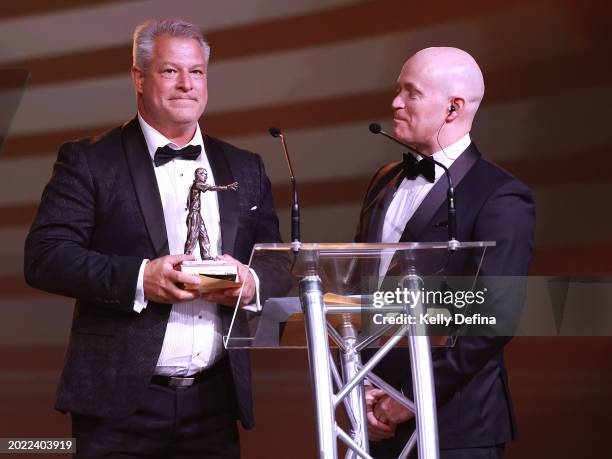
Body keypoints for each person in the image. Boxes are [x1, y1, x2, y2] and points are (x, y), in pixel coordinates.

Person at [24, 19, 284, 458]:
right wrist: (142, 278)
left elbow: (276, 266)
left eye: (197, 72)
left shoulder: (246, 166)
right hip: (118, 406)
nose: (186, 84)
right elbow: (45, 257)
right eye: (170, 71)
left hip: (214, 401)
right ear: (138, 78)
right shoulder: (90, 160)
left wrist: (251, 284)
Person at [354, 47, 535, 458]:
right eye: (397, 90)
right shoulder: (383, 181)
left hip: (458, 424)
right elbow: (362, 291)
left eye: (411, 93)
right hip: (373, 417)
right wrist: (359, 388)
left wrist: (411, 396)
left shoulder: (501, 195)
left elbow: (494, 317)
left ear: (453, 108)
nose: (395, 102)